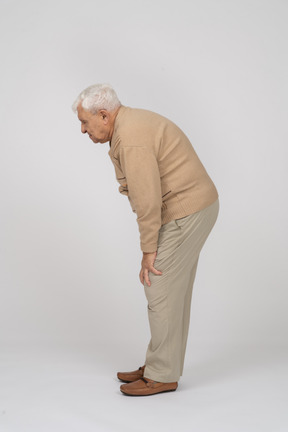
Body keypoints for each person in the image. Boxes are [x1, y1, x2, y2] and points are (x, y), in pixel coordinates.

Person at [72, 83, 220, 396]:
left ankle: (162, 374)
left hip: (186, 211)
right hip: (194, 207)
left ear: (104, 115)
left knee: (159, 288)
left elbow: (148, 200)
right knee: (171, 291)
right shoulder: (128, 124)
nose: (82, 130)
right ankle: (160, 364)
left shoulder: (131, 139)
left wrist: (148, 251)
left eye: (85, 122)